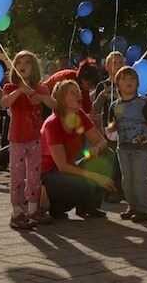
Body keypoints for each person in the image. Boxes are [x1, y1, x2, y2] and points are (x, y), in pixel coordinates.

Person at [41, 80, 115, 220]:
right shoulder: (52, 124)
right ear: (62, 99)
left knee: (105, 154)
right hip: (49, 175)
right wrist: (95, 176)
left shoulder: (79, 115)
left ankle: (88, 207)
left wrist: (96, 148)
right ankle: (55, 207)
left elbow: (102, 141)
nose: (78, 95)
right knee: (85, 187)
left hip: (69, 168)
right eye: (73, 93)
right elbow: (62, 166)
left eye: (78, 92)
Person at [1, 51, 56, 229]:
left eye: (27, 63)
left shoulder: (40, 88)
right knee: (17, 176)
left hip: (35, 139)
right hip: (17, 138)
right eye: (19, 63)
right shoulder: (10, 87)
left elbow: (55, 105)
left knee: (34, 175)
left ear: (34, 68)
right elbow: (4, 103)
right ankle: (17, 212)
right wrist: (19, 91)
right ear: (15, 67)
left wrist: (42, 98)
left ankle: (33, 209)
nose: (23, 65)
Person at [105, 66, 147, 223]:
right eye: (124, 79)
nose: (128, 81)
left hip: (140, 147)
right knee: (127, 180)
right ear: (118, 85)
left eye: (132, 78)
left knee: (139, 179)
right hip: (123, 147)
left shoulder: (142, 103)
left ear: (138, 83)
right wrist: (111, 127)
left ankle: (143, 208)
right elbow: (113, 122)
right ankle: (132, 206)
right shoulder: (116, 106)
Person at [91, 51, 126, 127]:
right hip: (107, 127)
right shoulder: (102, 85)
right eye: (114, 62)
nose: (118, 65)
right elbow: (96, 109)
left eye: (121, 62)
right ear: (107, 66)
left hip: (125, 126)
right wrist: (103, 95)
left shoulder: (127, 84)